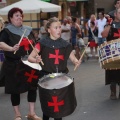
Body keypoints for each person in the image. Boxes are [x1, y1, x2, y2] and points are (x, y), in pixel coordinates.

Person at [28, 18, 81, 120]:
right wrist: (36, 60)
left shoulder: (65, 44)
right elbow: (30, 57)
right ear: (48, 30)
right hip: (46, 78)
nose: (59, 30)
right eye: (56, 27)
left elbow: (72, 58)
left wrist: (76, 61)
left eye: (60, 27)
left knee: (59, 109)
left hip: (61, 78)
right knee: (48, 106)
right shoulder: (42, 43)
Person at [0, 8, 42, 120]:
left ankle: (31, 113)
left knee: (32, 87)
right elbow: (1, 43)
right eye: (16, 16)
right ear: (10, 18)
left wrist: (36, 54)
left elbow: (36, 45)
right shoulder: (6, 31)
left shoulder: (28, 30)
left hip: (29, 64)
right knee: (15, 90)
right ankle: (17, 115)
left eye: (21, 16)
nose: (20, 18)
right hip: (13, 65)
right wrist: (11, 48)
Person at [101, 8, 120, 100]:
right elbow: (103, 35)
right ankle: (113, 92)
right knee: (112, 72)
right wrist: (109, 24)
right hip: (112, 53)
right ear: (115, 14)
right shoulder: (109, 25)